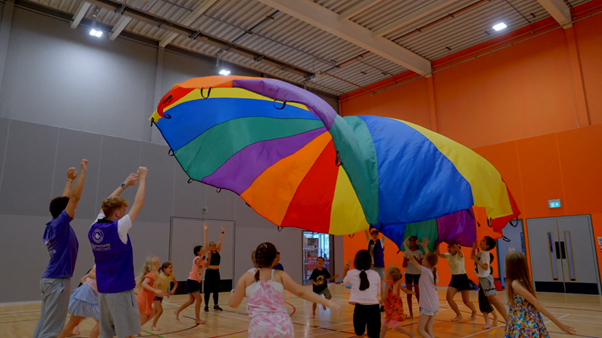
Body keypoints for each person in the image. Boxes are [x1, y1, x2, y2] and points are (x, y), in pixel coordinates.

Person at [229, 243, 340, 338]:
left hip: (260, 329)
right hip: (283, 328)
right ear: (274, 260)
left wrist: (245, 292)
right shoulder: (280, 275)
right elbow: (301, 292)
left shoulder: (246, 277)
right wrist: (327, 302)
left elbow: (233, 304)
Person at [88, 168, 146, 338]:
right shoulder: (118, 228)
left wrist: (125, 184)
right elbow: (139, 202)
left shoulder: (94, 227)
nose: (126, 214)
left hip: (104, 292)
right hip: (120, 291)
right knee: (125, 334)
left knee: (106, 333)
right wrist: (143, 178)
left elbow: (105, 204)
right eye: (123, 211)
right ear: (118, 213)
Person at [34, 160, 88, 338]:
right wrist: (83, 173)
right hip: (58, 281)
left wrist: (69, 181)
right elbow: (74, 199)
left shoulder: (53, 225)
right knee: (51, 330)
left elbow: (64, 202)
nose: (74, 210)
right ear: (65, 212)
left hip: (48, 280)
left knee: (44, 323)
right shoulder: (61, 225)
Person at [504, 252, 576, 337]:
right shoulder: (522, 282)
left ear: (510, 267)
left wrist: (559, 324)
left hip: (525, 327)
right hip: (527, 324)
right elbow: (514, 309)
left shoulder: (515, 284)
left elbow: (537, 304)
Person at [343, 250, 381, 338]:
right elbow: (377, 292)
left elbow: (344, 282)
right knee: (374, 335)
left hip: (360, 309)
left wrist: (346, 269)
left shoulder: (351, 273)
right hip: (374, 308)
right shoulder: (376, 274)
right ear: (369, 261)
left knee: (359, 333)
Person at [471, 237, 509, 326]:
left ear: (487, 246)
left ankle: (507, 319)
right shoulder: (481, 253)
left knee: (494, 300)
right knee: (490, 300)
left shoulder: (485, 254)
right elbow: (472, 257)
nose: (481, 241)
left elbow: (486, 267)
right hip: (482, 279)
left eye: (483, 241)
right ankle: (504, 318)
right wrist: (473, 247)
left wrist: (477, 261)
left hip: (486, 278)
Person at [405, 238, 438, 338]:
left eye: (424, 258)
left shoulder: (425, 271)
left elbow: (410, 257)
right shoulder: (434, 271)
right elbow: (431, 258)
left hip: (427, 304)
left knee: (420, 330)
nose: (422, 259)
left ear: (427, 262)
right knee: (428, 329)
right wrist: (425, 247)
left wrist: (405, 245)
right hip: (435, 304)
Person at [435, 243, 477, 321]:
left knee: (466, 301)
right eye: (448, 247)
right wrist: (437, 244)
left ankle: (474, 311)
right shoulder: (448, 255)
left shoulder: (460, 255)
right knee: (449, 298)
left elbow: (459, 252)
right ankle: (459, 314)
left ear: (455, 248)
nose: (449, 249)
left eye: (451, 247)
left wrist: (455, 245)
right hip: (454, 278)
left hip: (463, 278)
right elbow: (438, 254)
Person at [58, 266, 99, 338]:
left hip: (88, 296)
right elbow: (89, 275)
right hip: (87, 295)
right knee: (103, 324)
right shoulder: (105, 260)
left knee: (73, 323)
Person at [174, 245, 207, 324]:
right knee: (199, 299)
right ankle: (197, 319)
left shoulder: (203, 260)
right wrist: (203, 254)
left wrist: (210, 256)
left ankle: (177, 311)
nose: (204, 251)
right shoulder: (196, 259)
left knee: (191, 300)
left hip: (195, 281)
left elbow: (207, 265)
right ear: (198, 252)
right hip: (192, 280)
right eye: (202, 250)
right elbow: (198, 262)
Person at [380, 265, 414, 338]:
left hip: (391, 307)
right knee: (385, 322)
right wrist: (412, 292)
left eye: (387, 272)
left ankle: (409, 333)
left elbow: (385, 296)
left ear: (390, 274)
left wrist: (378, 302)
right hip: (395, 306)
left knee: (394, 325)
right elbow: (406, 291)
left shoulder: (388, 284)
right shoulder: (397, 283)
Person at [135, 257, 168, 328]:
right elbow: (144, 284)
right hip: (143, 300)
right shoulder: (152, 274)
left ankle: (136, 329)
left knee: (153, 313)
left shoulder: (154, 275)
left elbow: (153, 288)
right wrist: (155, 290)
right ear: (153, 266)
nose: (159, 266)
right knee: (144, 319)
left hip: (146, 299)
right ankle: (131, 332)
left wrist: (163, 293)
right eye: (158, 264)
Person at [204, 223, 225, 312]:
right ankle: (206, 306)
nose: (214, 246)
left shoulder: (218, 251)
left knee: (216, 289)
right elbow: (205, 241)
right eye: (212, 245)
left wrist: (222, 232)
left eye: (215, 245)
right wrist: (205, 231)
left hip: (216, 272)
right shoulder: (208, 252)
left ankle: (216, 305)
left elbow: (221, 241)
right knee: (208, 290)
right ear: (209, 246)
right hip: (209, 272)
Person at [152, 262, 178, 331]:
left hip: (161, 296)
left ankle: (140, 323)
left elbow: (176, 283)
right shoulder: (160, 276)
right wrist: (166, 293)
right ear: (164, 269)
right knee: (160, 311)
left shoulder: (171, 275)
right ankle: (153, 326)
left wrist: (173, 289)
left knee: (154, 312)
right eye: (170, 268)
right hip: (155, 295)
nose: (171, 269)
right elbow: (156, 287)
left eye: (172, 267)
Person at [403, 236, 424, 319]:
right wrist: (407, 260)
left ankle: (421, 312)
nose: (411, 242)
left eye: (413, 240)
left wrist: (415, 259)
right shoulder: (406, 252)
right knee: (409, 293)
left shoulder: (419, 252)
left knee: (417, 293)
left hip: (416, 274)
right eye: (410, 240)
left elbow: (421, 265)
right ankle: (411, 314)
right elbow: (403, 265)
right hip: (408, 273)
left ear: (416, 242)